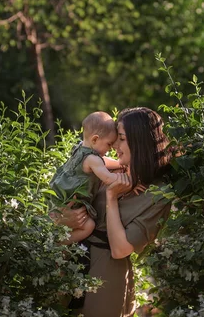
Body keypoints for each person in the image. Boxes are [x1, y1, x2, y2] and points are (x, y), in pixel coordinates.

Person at [58, 107, 173, 317]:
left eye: (121, 139)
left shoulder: (158, 194)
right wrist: (60, 219)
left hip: (106, 274)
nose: (115, 146)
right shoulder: (109, 169)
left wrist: (111, 197)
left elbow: (120, 250)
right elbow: (63, 201)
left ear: (139, 142)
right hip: (70, 263)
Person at [50, 111, 129, 243]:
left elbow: (103, 161)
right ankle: (59, 243)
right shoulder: (93, 159)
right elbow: (108, 178)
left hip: (58, 198)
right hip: (71, 202)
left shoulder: (80, 149)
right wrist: (128, 179)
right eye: (109, 144)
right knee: (89, 226)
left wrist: (120, 164)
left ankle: (56, 238)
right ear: (95, 139)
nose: (110, 149)